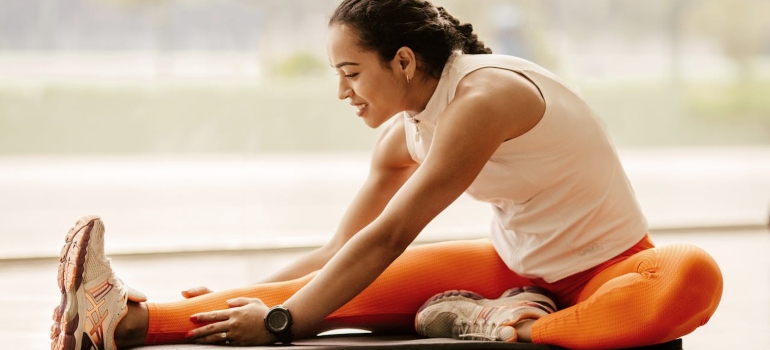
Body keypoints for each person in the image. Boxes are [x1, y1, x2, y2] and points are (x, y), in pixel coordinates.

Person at [50, 0, 724, 349]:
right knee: (317, 291)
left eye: (351, 72)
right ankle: (119, 321)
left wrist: (284, 324)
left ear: (403, 60)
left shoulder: (484, 100)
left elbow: (394, 233)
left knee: (693, 278)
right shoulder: (406, 131)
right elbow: (341, 253)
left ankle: (509, 326)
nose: (343, 92)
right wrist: (248, 295)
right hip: (512, 268)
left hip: (611, 271)